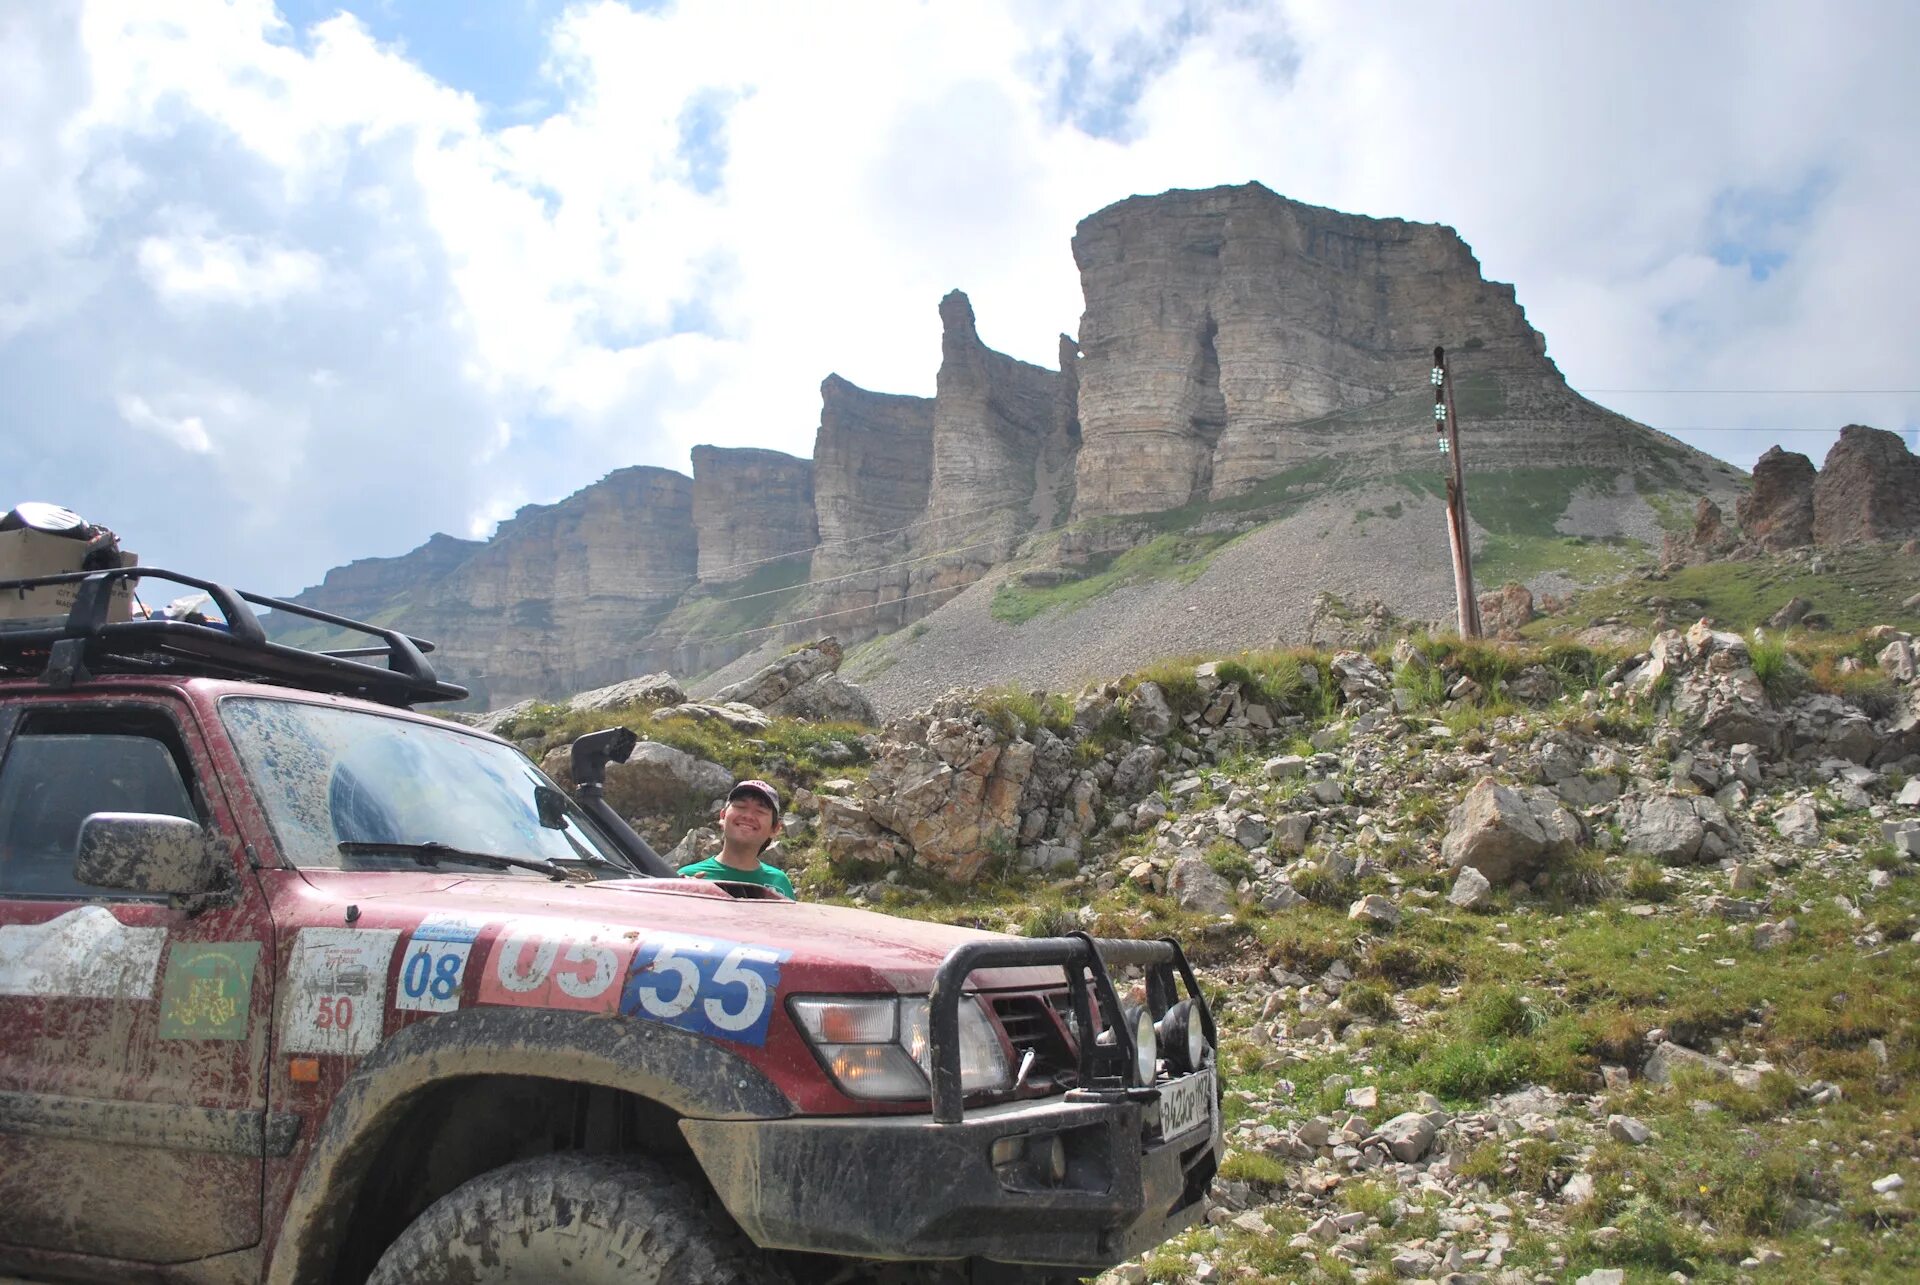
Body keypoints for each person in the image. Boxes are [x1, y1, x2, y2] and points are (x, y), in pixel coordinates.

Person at [676, 779, 795, 898]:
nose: (748, 816)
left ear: (774, 828)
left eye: (760, 811)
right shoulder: (687, 877)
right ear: (722, 816)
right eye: (740, 806)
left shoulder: (780, 884)